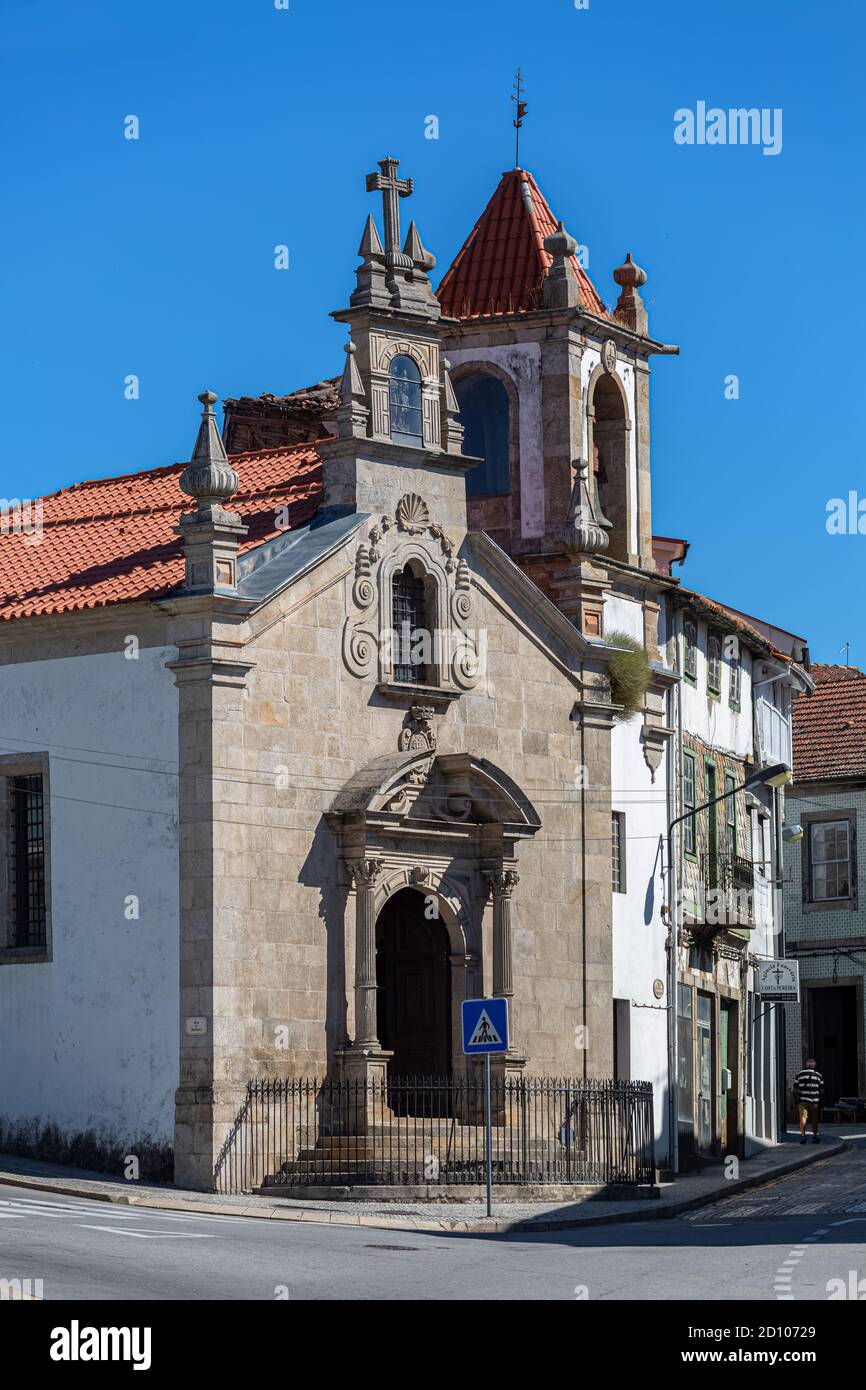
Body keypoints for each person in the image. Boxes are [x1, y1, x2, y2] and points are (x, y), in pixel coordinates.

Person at [794, 1058, 824, 1144]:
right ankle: (814, 1137)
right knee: (815, 1119)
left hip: (803, 1100)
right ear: (814, 1065)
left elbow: (795, 1088)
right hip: (814, 1101)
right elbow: (821, 1090)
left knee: (803, 1118)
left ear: (806, 1065)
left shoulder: (799, 1074)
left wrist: (797, 1098)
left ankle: (803, 1137)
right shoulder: (819, 1075)